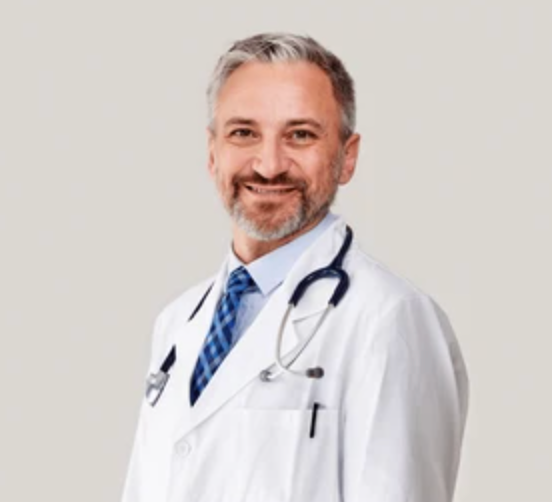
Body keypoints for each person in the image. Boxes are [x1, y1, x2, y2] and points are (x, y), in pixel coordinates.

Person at [121, 32, 469, 502]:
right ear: (212, 152)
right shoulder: (177, 323)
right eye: (244, 133)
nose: (269, 165)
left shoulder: (390, 319)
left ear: (346, 157)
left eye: (300, 135)